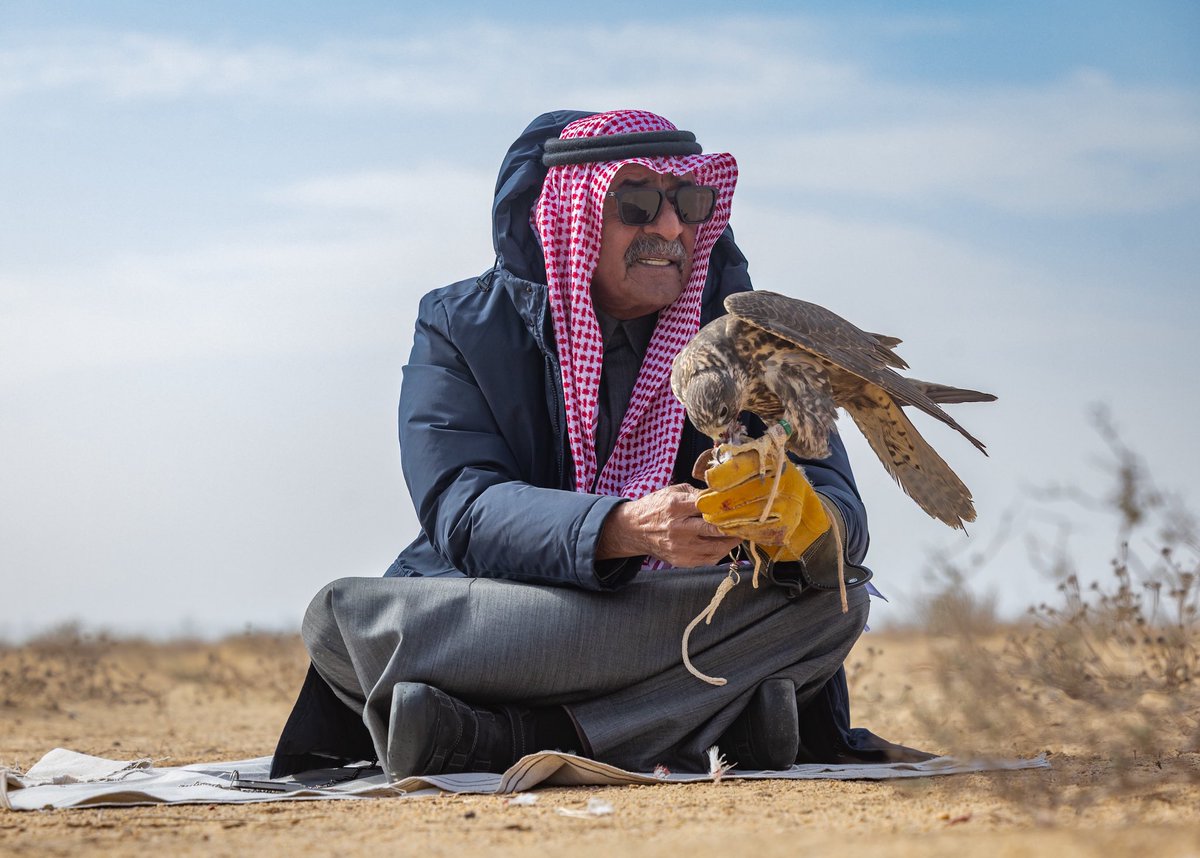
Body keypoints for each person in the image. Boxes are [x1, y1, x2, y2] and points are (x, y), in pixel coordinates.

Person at [270, 109, 928, 780]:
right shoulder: (460, 325)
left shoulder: (746, 340)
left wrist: (792, 518)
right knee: (343, 621)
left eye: (688, 203)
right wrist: (622, 529)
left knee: (832, 603)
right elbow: (463, 507)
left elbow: (841, 516)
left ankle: (496, 737)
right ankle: (707, 723)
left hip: (689, 607)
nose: (669, 227)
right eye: (637, 203)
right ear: (568, 216)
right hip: (516, 611)